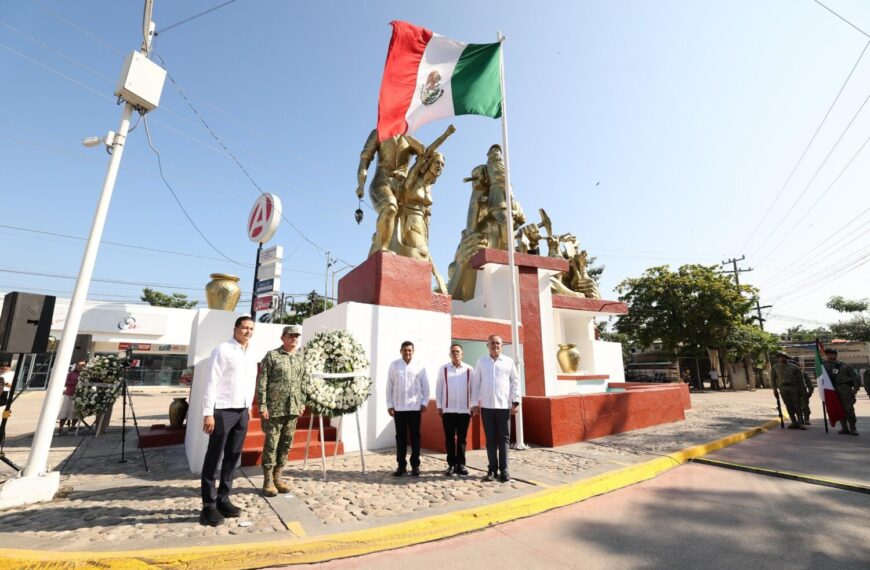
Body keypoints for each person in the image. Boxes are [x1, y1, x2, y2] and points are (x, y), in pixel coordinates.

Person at [200, 316, 258, 527]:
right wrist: (208, 412)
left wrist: (249, 407)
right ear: (235, 329)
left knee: (233, 457)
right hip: (222, 411)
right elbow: (211, 382)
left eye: (251, 328)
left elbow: (250, 382)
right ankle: (208, 506)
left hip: (242, 411)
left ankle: (223, 499)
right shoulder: (222, 350)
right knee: (213, 458)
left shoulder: (251, 353)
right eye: (244, 327)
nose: (248, 331)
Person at [257, 325, 306, 497]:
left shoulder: (300, 359)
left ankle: (278, 477)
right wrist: (262, 405)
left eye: (296, 336)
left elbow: (303, 382)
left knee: (286, 444)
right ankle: (267, 480)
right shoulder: (272, 356)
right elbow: (262, 382)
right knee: (271, 444)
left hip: (292, 409)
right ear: (282, 338)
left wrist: (302, 403)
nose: (293, 338)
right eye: (290, 335)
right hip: (274, 409)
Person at [472, 335, 520, 483]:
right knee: (490, 439)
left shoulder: (508, 362)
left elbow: (515, 382)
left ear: (502, 346)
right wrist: (474, 403)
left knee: (504, 439)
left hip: (504, 407)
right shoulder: (481, 362)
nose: (495, 345)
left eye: (498, 343)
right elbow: (476, 384)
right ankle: (492, 469)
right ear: (487, 346)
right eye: (492, 343)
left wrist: (515, 402)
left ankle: (504, 470)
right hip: (487, 407)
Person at [386, 340, 430, 477]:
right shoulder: (394, 365)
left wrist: (425, 402)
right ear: (401, 351)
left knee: (415, 437)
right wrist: (389, 404)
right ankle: (401, 465)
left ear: (413, 351)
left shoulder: (420, 365)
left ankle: (415, 465)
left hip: (414, 408)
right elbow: (389, 386)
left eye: (410, 350)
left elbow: (425, 386)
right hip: (399, 408)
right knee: (400, 438)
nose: (407, 353)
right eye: (405, 350)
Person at [436, 344, 474, 477]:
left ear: (462, 354)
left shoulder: (469, 370)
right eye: (453, 351)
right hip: (448, 410)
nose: (455, 353)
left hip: (464, 410)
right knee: (449, 438)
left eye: (458, 351)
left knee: (462, 439)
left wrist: (473, 405)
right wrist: (439, 406)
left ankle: (461, 464)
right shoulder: (444, 369)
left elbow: (473, 389)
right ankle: (451, 464)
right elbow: (439, 388)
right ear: (449, 354)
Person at [823, 348, 860, 435]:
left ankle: (853, 428)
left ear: (836, 355)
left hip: (845, 389)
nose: (830, 355)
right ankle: (844, 427)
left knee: (849, 409)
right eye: (828, 354)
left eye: (832, 353)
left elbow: (855, 378)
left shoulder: (845, 365)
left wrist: (855, 389)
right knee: (838, 408)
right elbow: (819, 377)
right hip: (832, 390)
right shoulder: (823, 366)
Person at [771, 352, 807, 430]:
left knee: (797, 405)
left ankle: (801, 422)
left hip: (794, 388)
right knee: (788, 405)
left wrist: (803, 390)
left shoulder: (794, 367)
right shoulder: (775, 367)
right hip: (783, 389)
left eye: (783, 357)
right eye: (780, 357)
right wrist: (774, 390)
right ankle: (793, 422)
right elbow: (773, 379)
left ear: (786, 358)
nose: (782, 358)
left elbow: (801, 379)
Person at [57, 360, 85, 434]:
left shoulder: (85, 374)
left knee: (75, 411)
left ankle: (72, 426)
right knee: (65, 410)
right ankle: (61, 427)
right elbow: (66, 382)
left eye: (82, 365)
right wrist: (76, 382)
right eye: (79, 365)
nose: (80, 367)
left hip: (79, 395)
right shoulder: (71, 374)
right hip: (69, 394)